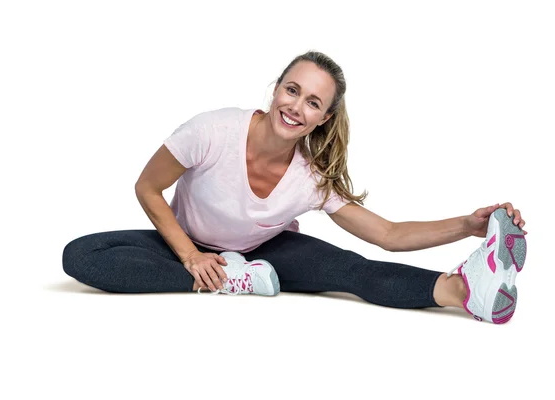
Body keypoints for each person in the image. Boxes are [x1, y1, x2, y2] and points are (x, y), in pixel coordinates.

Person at [62, 50, 528, 324]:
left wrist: (468, 225)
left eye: (312, 103)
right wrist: (190, 256)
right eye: (291, 90)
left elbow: (388, 234)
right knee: (82, 256)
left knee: (352, 271)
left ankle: (467, 292)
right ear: (276, 89)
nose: (295, 107)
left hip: (267, 251)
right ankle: (237, 280)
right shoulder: (211, 131)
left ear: (323, 118)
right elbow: (147, 187)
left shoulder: (312, 178)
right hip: (186, 243)